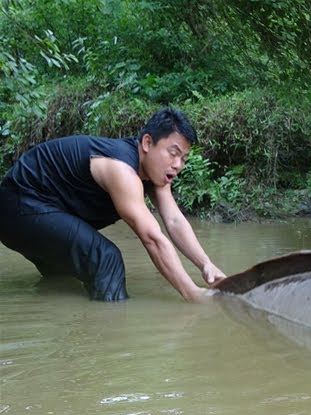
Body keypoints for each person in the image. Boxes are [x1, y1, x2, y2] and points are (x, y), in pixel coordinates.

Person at [0, 107, 225, 301]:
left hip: (40, 213)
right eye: (173, 153)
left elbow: (174, 220)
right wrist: (192, 293)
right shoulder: (121, 168)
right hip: (19, 204)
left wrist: (206, 264)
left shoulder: (155, 174)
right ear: (147, 143)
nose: (177, 165)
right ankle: (110, 333)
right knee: (105, 258)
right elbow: (152, 239)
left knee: (62, 281)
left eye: (183, 158)